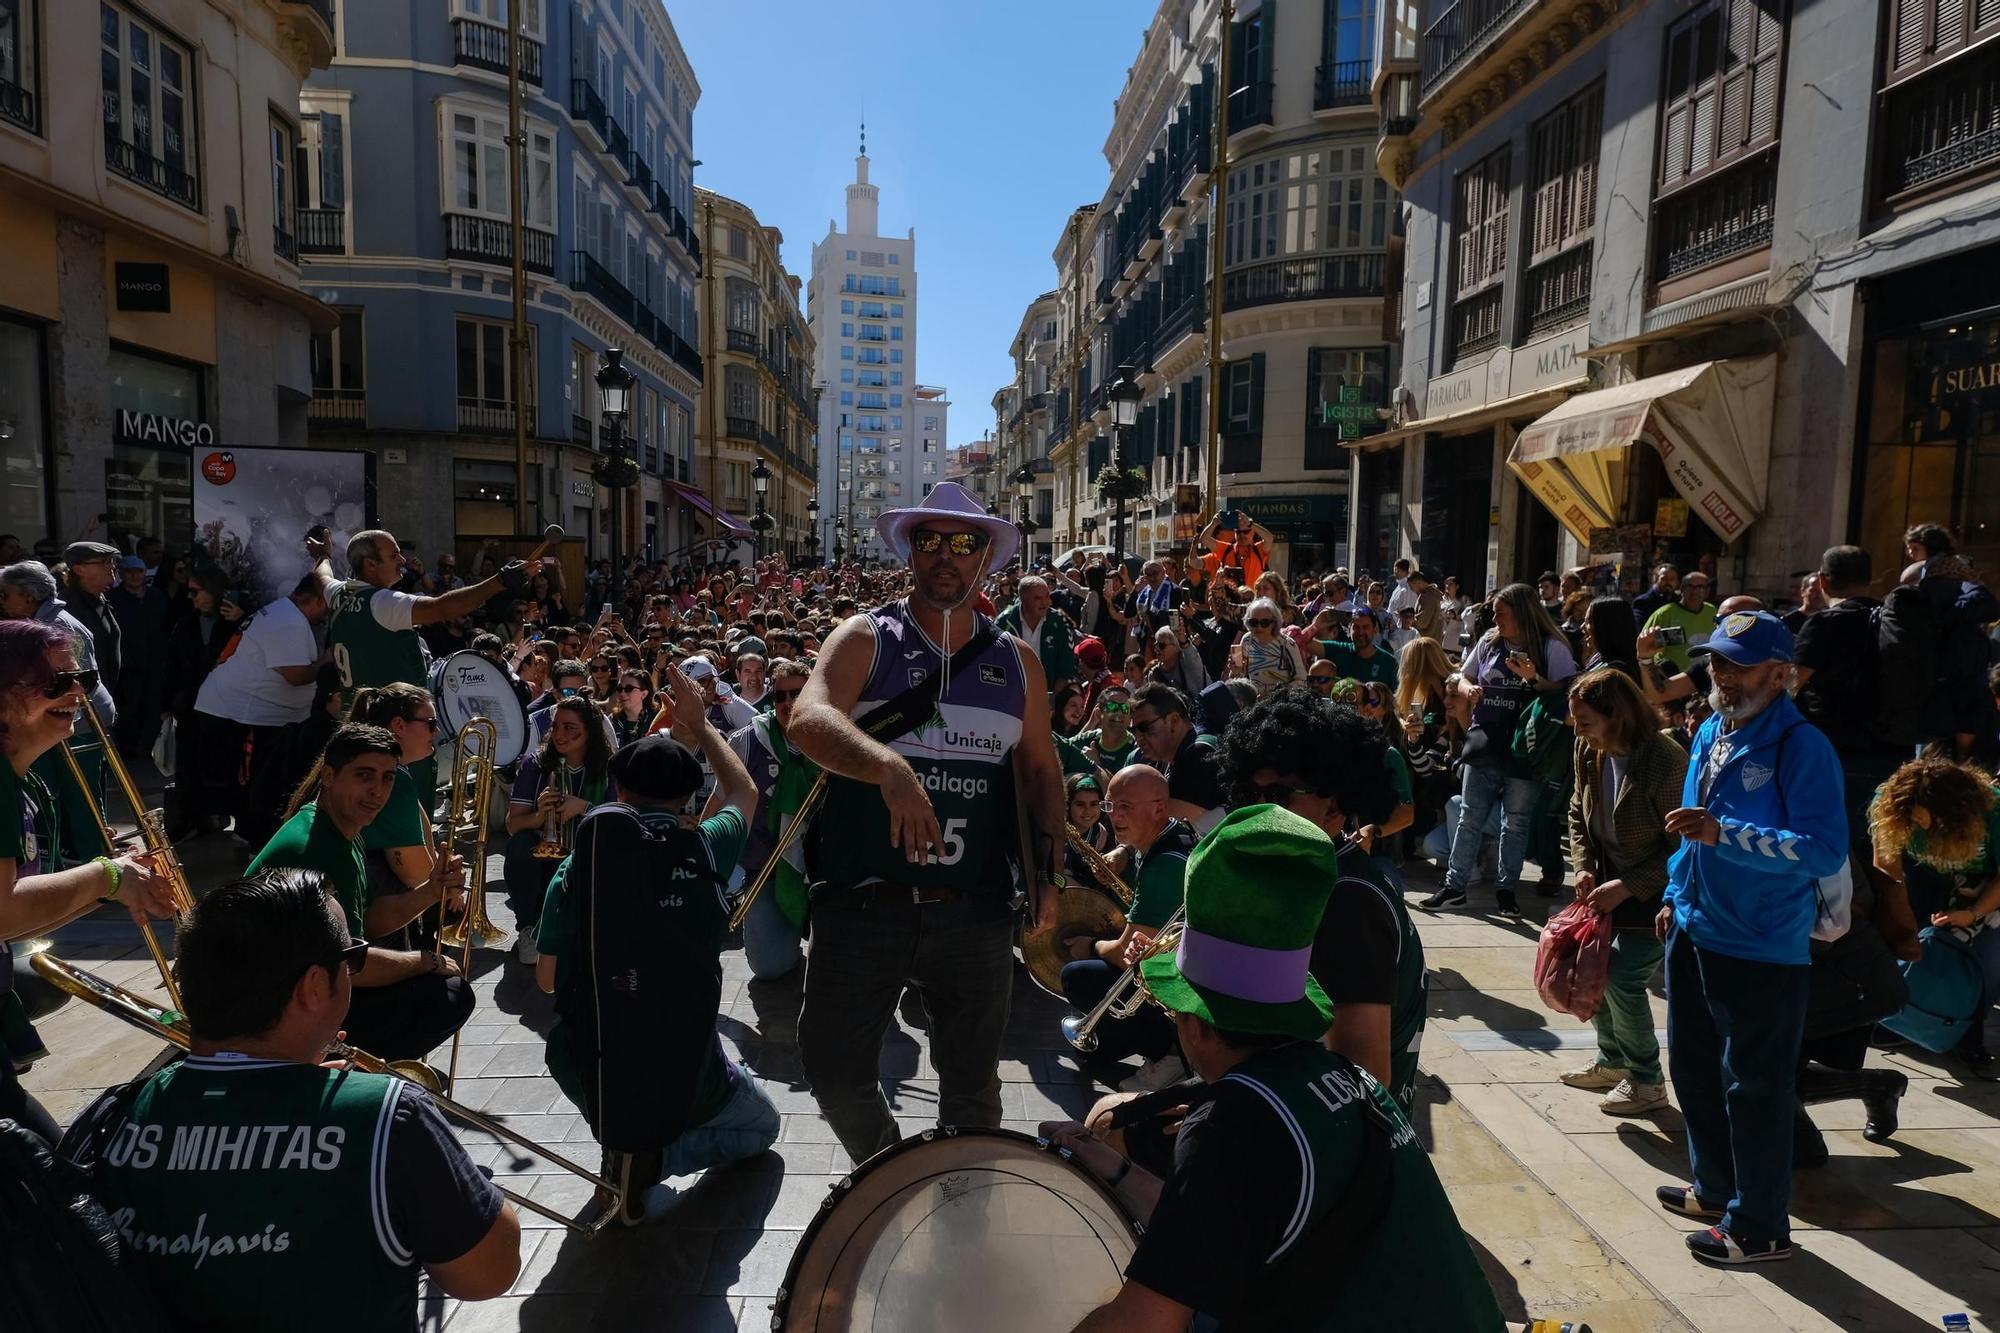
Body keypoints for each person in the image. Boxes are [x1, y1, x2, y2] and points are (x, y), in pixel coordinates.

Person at [1043, 805, 1508, 1331]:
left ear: (1193, 1025)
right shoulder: (1347, 1080)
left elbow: (1143, 1324)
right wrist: (1118, 1172)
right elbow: (1211, 1234)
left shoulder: (1229, 1125)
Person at [81, 869, 521, 1325]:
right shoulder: (390, 1116)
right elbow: (488, 1275)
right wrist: (456, 1170)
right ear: (314, 986)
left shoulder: (114, 1116)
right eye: (351, 957)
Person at [788, 481, 1063, 1164]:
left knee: (972, 1088)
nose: (946, 555)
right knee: (830, 1066)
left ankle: (960, 1200)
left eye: (964, 542)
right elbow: (807, 719)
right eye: (929, 540)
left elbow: (1039, 773)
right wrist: (889, 768)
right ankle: (892, 1171)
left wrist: (1049, 876)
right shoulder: (865, 637)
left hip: (972, 910)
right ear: (909, 552)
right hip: (863, 901)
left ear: (987, 557)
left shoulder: (1017, 662)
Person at [534, 678, 778, 1225]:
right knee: (763, 1128)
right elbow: (744, 793)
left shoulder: (578, 869)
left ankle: (621, 1145)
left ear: (618, 793)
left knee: (560, 1044)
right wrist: (701, 725)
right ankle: (659, 1157)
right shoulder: (707, 845)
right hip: (685, 1065)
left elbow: (548, 980)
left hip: (598, 1065)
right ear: (689, 799)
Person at [1656, 611, 1845, 1265]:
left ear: (1778, 670)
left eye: (1735, 663)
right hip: (1696, 928)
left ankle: (1761, 1226)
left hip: (1764, 945)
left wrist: (1724, 834)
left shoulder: (1803, 747)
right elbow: (1688, 826)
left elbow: (1823, 850)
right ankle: (1715, 1187)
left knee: (1757, 1090)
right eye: (1715, 660)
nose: (1720, 674)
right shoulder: (1711, 727)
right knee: (1693, 1068)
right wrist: (1673, 896)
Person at [0, 620, 177, 1142]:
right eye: (54, 683)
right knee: (53, 1194)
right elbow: (4, 912)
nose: (77, 692)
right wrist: (108, 875)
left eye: (82, 676)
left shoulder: (19, 778)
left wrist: (122, 884)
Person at [1216, 687, 1427, 1108]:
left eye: (1276, 797)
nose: (1257, 812)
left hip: (1333, 1137)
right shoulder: (1329, 874)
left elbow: (1363, 1077)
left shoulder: (1345, 900)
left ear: (1333, 805)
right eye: (1249, 796)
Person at [245, 725, 476, 1065]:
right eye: (364, 776)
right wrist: (425, 961)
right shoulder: (317, 845)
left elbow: (366, 920)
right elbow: (352, 967)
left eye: (387, 779)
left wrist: (431, 891)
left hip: (299, 986)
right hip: (272, 1007)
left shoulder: (341, 828)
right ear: (328, 776)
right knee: (446, 996)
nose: (377, 791)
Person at [1559, 667, 1689, 1116]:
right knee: (1589, 967)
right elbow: (1578, 809)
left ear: (1618, 717)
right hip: (1606, 878)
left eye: (1585, 722)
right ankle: (1613, 1060)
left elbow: (1682, 849)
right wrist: (1584, 866)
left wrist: (1629, 886)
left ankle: (1648, 1081)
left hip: (1657, 888)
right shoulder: (1586, 750)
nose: (1578, 731)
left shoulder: (1666, 762)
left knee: (1622, 977)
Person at [1423, 583, 1578, 916]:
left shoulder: (1551, 647)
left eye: (1501, 613)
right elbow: (1460, 676)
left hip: (1527, 746)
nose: (1495, 618)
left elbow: (1567, 694)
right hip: (1485, 740)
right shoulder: (1489, 641)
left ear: (1521, 613)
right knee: (1469, 817)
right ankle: (1454, 885)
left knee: (1516, 822)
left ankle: (1506, 889)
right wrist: (1470, 689)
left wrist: (1534, 677)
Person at [1059, 765, 1196, 1090]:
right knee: (1097, 1052)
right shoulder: (1177, 831)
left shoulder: (1165, 866)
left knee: (1077, 974)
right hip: (1183, 970)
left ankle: (1171, 1055)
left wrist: (1090, 945)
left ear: (1158, 808)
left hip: (1184, 990)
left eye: (1126, 807)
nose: (1114, 816)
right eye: (1110, 805)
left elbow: (1124, 956)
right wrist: (1126, 848)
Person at [305, 528, 538, 718]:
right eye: (394, 555)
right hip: (395, 725)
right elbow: (442, 608)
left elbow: (321, 576)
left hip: (356, 720)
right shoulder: (383, 603)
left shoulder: (338, 594)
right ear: (370, 564)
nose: (403, 560)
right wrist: (500, 581)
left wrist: (323, 555)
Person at [1868, 756, 2000, 1078]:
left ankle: (1966, 1033)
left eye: (1924, 819)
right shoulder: (1890, 804)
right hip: (1926, 878)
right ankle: (1902, 1017)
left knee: (1985, 961)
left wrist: (1972, 913)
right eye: (1912, 820)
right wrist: (1901, 919)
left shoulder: (1993, 812)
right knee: (1911, 946)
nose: (1918, 826)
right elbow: (1887, 870)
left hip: (1984, 886)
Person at [190, 575, 330, 849]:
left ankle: (250, 831)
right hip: (239, 712)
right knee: (258, 782)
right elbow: (296, 675)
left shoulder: (284, 612)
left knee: (256, 781)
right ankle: (255, 838)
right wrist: (326, 662)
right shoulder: (286, 622)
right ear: (317, 600)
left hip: (249, 711)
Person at [0, 559, 122, 862]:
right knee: (50, 795)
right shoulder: (35, 623)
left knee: (82, 800)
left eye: (5, 594)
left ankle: (95, 861)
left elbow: (79, 686)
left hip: (80, 726)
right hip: (59, 722)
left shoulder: (58, 626)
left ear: (28, 596)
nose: (2, 602)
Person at [346, 684, 464, 950]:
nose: (437, 733)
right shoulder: (392, 779)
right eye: (431, 724)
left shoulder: (394, 772)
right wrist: (450, 886)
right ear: (399, 725)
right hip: (371, 920)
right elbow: (416, 874)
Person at [721, 657, 817, 982]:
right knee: (769, 968)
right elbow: (723, 802)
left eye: (797, 694)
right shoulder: (748, 740)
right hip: (767, 870)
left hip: (824, 875)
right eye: (780, 696)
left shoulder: (834, 740)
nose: (789, 703)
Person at [504, 697, 615, 965]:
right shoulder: (536, 764)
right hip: (545, 850)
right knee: (519, 845)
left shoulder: (610, 767)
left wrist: (585, 807)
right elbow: (512, 824)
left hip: (589, 850)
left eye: (569, 728)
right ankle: (528, 929)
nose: (559, 735)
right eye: (555, 727)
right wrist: (539, 815)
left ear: (589, 730)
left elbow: (618, 822)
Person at [1129, 681, 1224, 834]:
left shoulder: (1197, 754)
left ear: (1173, 721)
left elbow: (1160, 828)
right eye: (1134, 731)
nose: (1138, 738)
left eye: (1145, 728)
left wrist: (1124, 851)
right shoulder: (1179, 752)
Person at [106, 555, 170, 754]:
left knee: (153, 707)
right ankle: (128, 748)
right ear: (121, 574)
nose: (135, 576)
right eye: (129, 571)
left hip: (156, 664)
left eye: (139, 571)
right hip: (128, 666)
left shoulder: (157, 597)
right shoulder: (113, 600)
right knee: (128, 708)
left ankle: (151, 747)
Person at [996, 575, 1080, 687]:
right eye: (1038, 598)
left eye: (1047, 597)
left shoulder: (1059, 622)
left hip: (1049, 693)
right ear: (1023, 600)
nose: (1046, 603)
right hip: (1013, 693)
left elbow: (1067, 668)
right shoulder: (1003, 623)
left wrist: (1054, 698)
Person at [1641, 569, 1716, 674]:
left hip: (1704, 677)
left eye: (1700, 587)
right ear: (1681, 589)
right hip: (1672, 678)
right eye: (1690, 586)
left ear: (1707, 591)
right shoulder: (1664, 614)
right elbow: (1643, 645)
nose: (1695, 591)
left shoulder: (1713, 611)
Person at [1232, 596, 1307, 697]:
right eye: (1253, 622)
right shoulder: (1246, 640)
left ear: (1274, 623)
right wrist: (1235, 672)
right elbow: (1238, 680)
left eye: (1264, 623)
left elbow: (1301, 680)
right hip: (1254, 702)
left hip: (1281, 702)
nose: (1259, 627)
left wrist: (1273, 695)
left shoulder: (1287, 644)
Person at [1318, 605, 1400, 690]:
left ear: (1375, 630)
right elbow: (1307, 643)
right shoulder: (1339, 650)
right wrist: (1317, 624)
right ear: (1349, 630)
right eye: (1356, 627)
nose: (1360, 632)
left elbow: (1397, 699)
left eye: (1366, 627)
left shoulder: (1389, 663)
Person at [1147, 624, 1209, 700]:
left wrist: (1183, 639)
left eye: (1161, 645)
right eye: (1155, 645)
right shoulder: (1154, 674)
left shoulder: (1188, 663)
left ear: (1176, 647)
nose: (1156, 649)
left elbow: (1190, 654)